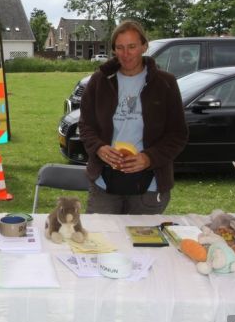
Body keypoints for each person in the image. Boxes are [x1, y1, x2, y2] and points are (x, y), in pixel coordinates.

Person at [78, 20, 188, 214]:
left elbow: (177, 134)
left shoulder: (165, 83)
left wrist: (149, 158)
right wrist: (98, 148)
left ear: (144, 46)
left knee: (142, 235)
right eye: (120, 47)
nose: (125, 54)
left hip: (150, 185)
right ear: (114, 50)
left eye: (132, 47)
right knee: (100, 233)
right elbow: (86, 125)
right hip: (104, 183)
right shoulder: (99, 81)